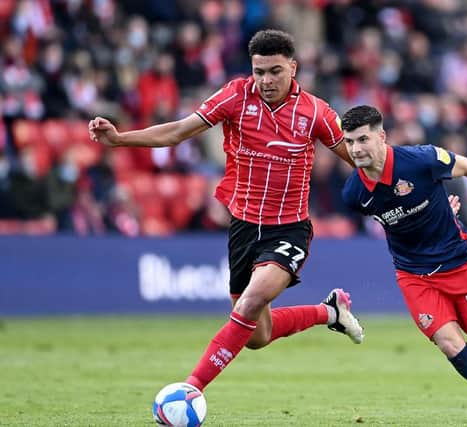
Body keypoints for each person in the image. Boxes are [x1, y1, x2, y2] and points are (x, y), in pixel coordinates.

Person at [88, 29, 364, 392]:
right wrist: (121, 139)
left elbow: (358, 160)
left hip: (288, 228)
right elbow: (178, 132)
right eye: (259, 71)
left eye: (275, 71)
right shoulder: (235, 95)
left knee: (249, 302)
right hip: (243, 229)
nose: (266, 80)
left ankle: (191, 388)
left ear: (293, 68)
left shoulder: (315, 112)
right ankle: (329, 312)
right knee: (256, 335)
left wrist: (411, 183)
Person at [339, 105, 467, 427]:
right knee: (450, 343)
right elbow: (395, 218)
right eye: (349, 142)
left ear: (382, 137)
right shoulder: (353, 193)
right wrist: (435, 210)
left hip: (460, 262)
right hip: (414, 275)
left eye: (363, 139)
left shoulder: (420, 159)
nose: (356, 149)